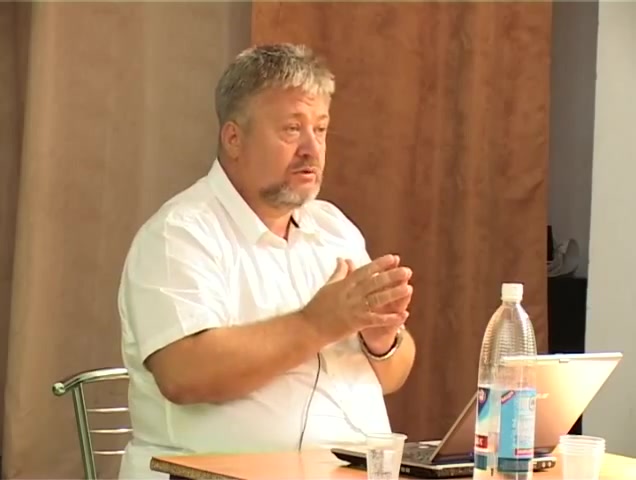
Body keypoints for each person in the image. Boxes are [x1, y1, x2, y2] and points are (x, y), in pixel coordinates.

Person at [117, 43, 416, 479]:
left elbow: (392, 374)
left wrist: (382, 341)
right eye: (292, 129)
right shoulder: (179, 234)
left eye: (321, 129)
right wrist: (318, 323)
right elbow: (184, 374)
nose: (312, 149)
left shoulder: (333, 228)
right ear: (234, 139)